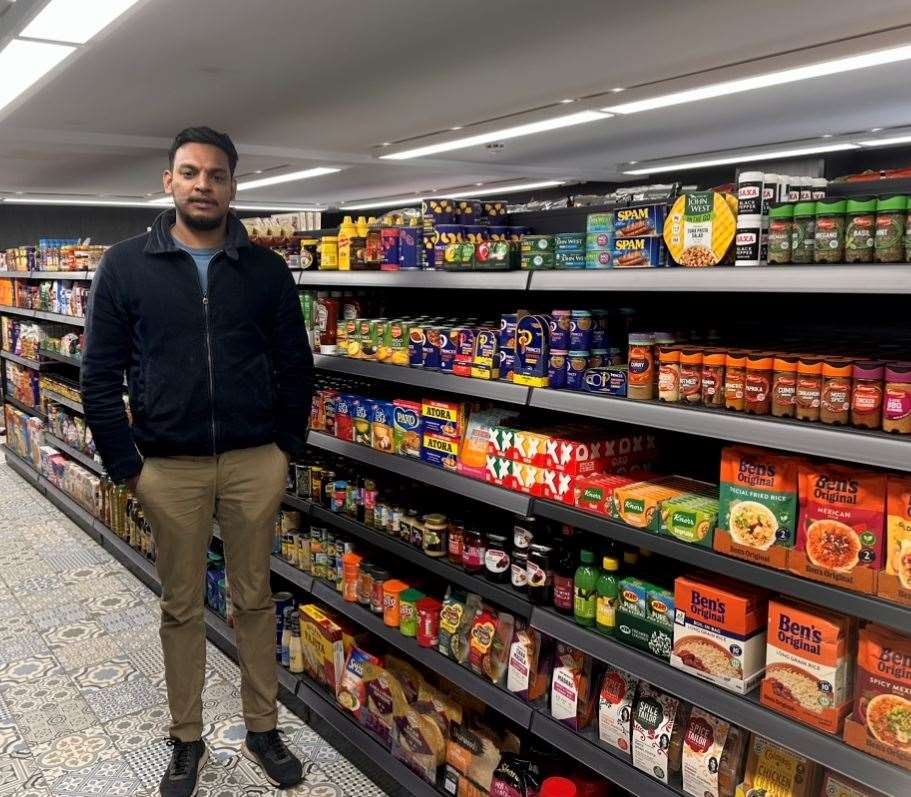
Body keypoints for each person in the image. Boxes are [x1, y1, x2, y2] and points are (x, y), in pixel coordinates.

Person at [82, 126, 313, 797]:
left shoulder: (264, 269)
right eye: (190, 172)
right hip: (168, 467)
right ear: (169, 182)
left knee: (253, 598)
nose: (203, 184)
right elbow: (99, 375)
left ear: (233, 185)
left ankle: (262, 727)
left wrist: (285, 447)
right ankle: (186, 739)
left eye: (216, 174)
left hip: (252, 461)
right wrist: (128, 464)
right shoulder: (125, 265)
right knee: (181, 606)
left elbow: (294, 366)